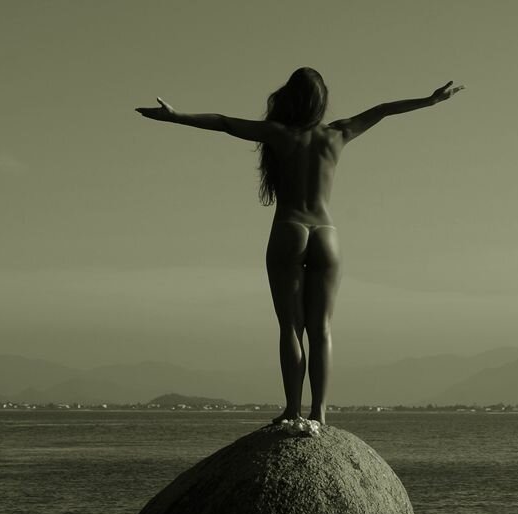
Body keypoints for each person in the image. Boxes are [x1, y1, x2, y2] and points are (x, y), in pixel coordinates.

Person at [136, 67, 463, 428]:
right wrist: (430, 101)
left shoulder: (278, 134)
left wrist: (176, 116)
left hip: (289, 229)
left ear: (289, 99)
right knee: (321, 329)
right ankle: (319, 413)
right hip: (327, 233)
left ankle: (293, 410)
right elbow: (383, 109)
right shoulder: (338, 133)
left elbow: (224, 122)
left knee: (291, 327)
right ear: (322, 101)